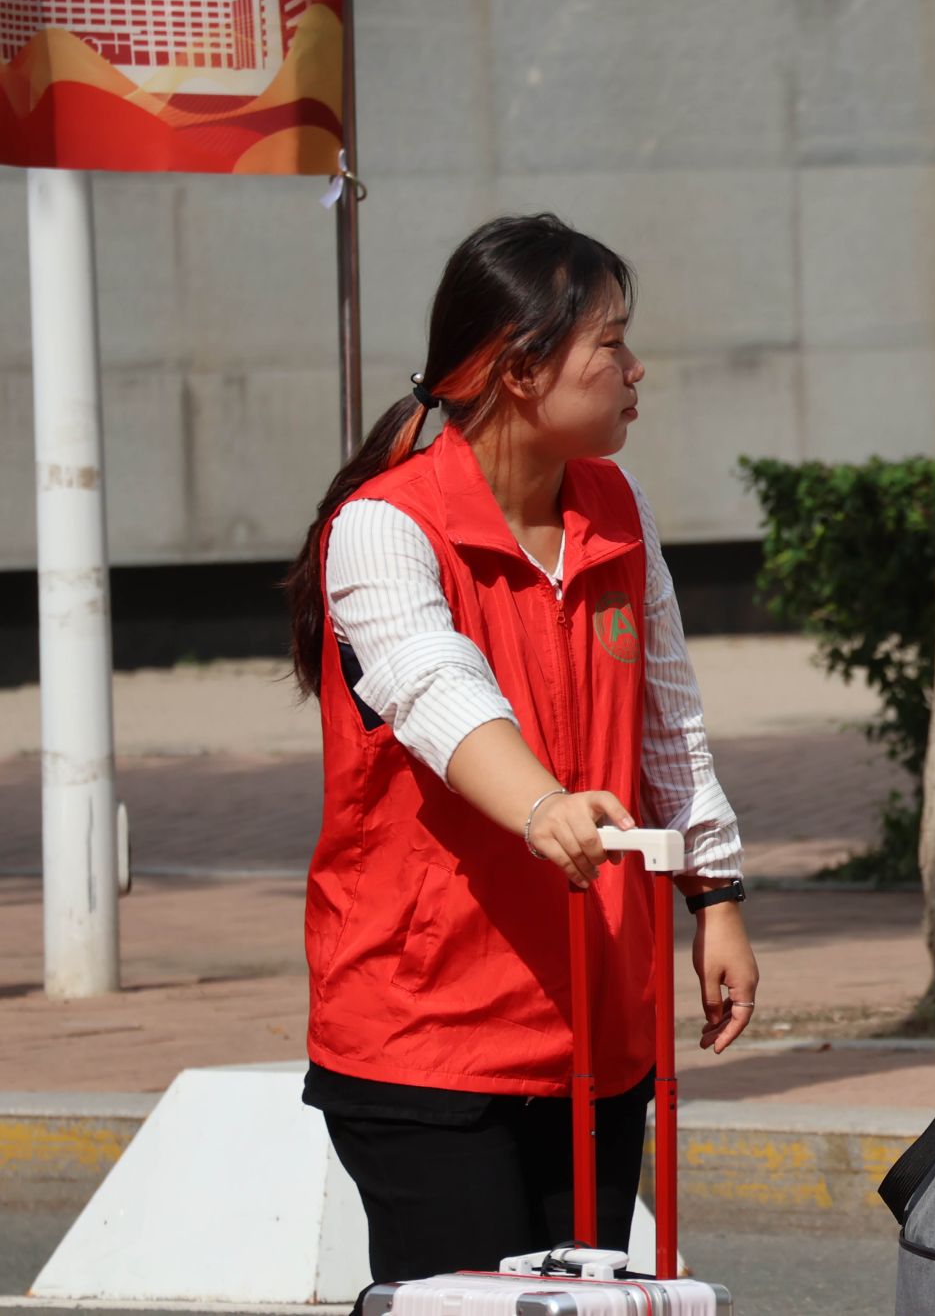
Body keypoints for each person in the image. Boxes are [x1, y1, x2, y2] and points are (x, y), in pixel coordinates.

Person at [282, 213, 758, 1290]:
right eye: (611, 343)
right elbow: (434, 686)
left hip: (596, 1028)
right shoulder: (384, 526)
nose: (636, 369)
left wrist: (716, 893)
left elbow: (669, 722)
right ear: (521, 369)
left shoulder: (617, 509)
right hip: (425, 1033)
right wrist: (543, 804)